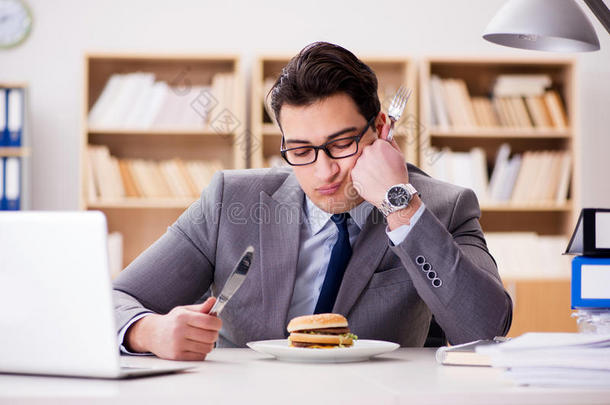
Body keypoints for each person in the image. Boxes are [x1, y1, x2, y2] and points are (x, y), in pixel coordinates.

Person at [113, 41, 512, 361]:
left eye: (341, 144)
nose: (324, 172)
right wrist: (148, 331)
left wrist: (401, 207)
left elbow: (485, 330)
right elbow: (115, 299)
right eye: (301, 150)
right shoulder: (228, 201)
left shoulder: (443, 208)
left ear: (381, 130)